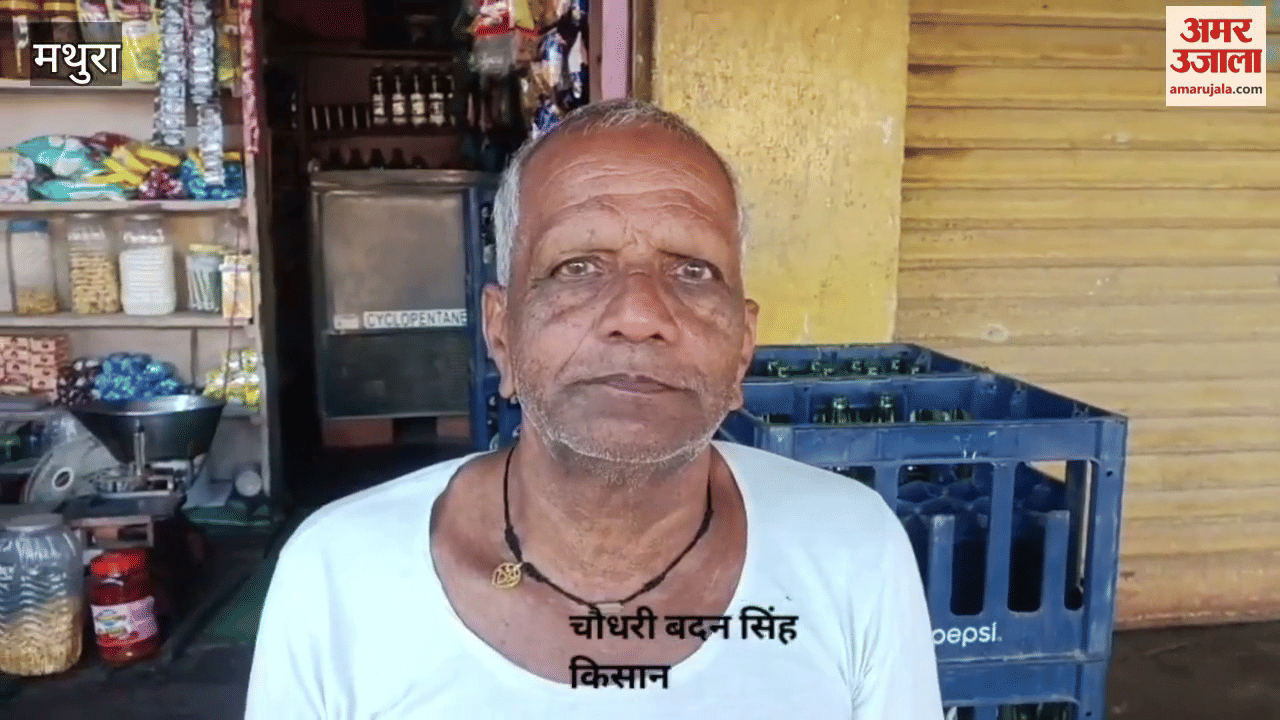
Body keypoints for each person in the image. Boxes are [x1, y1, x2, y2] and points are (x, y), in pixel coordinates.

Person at [245, 98, 943, 719]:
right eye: (577, 267)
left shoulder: (854, 552)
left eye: (692, 271)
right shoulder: (337, 579)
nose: (639, 315)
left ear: (741, 350)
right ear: (502, 334)